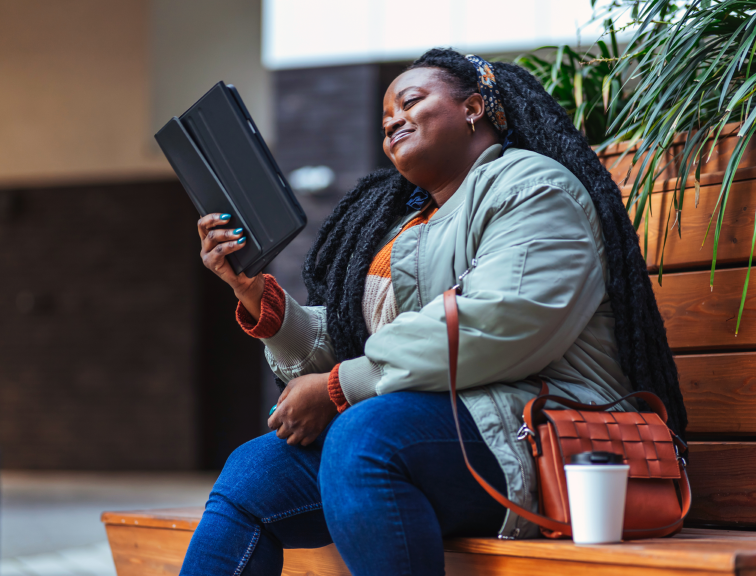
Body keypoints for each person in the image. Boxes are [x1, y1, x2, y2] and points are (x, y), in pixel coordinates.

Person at [179, 48, 687, 576]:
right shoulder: (406, 225)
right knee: (253, 471)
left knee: (366, 435)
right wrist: (258, 298)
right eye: (384, 120)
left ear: (472, 108)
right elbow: (366, 345)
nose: (393, 119)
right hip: (438, 431)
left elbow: (502, 320)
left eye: (411, 101)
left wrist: (338, 388)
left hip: (548, 435)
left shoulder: (533, 187)